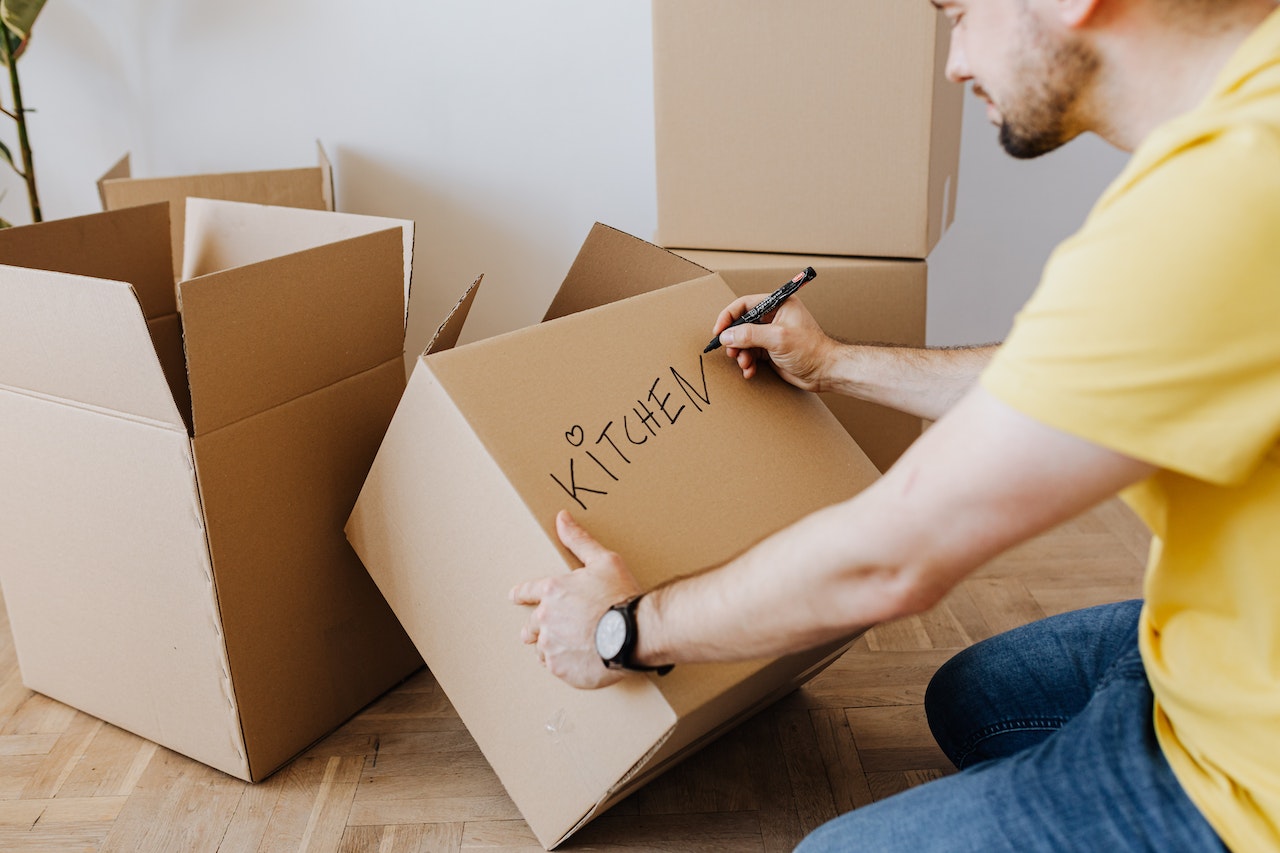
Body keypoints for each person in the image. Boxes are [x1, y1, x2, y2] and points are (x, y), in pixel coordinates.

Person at [510, 0, 1280, 848]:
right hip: (1235, 628)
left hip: (1256, 770)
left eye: (958, 14)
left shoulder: (1227, 192)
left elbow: (891, 557)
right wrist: (831, 362)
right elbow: (1060, 383)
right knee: (974, 699)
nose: (952, 64)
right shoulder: (1248, 118)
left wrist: (624, 628)